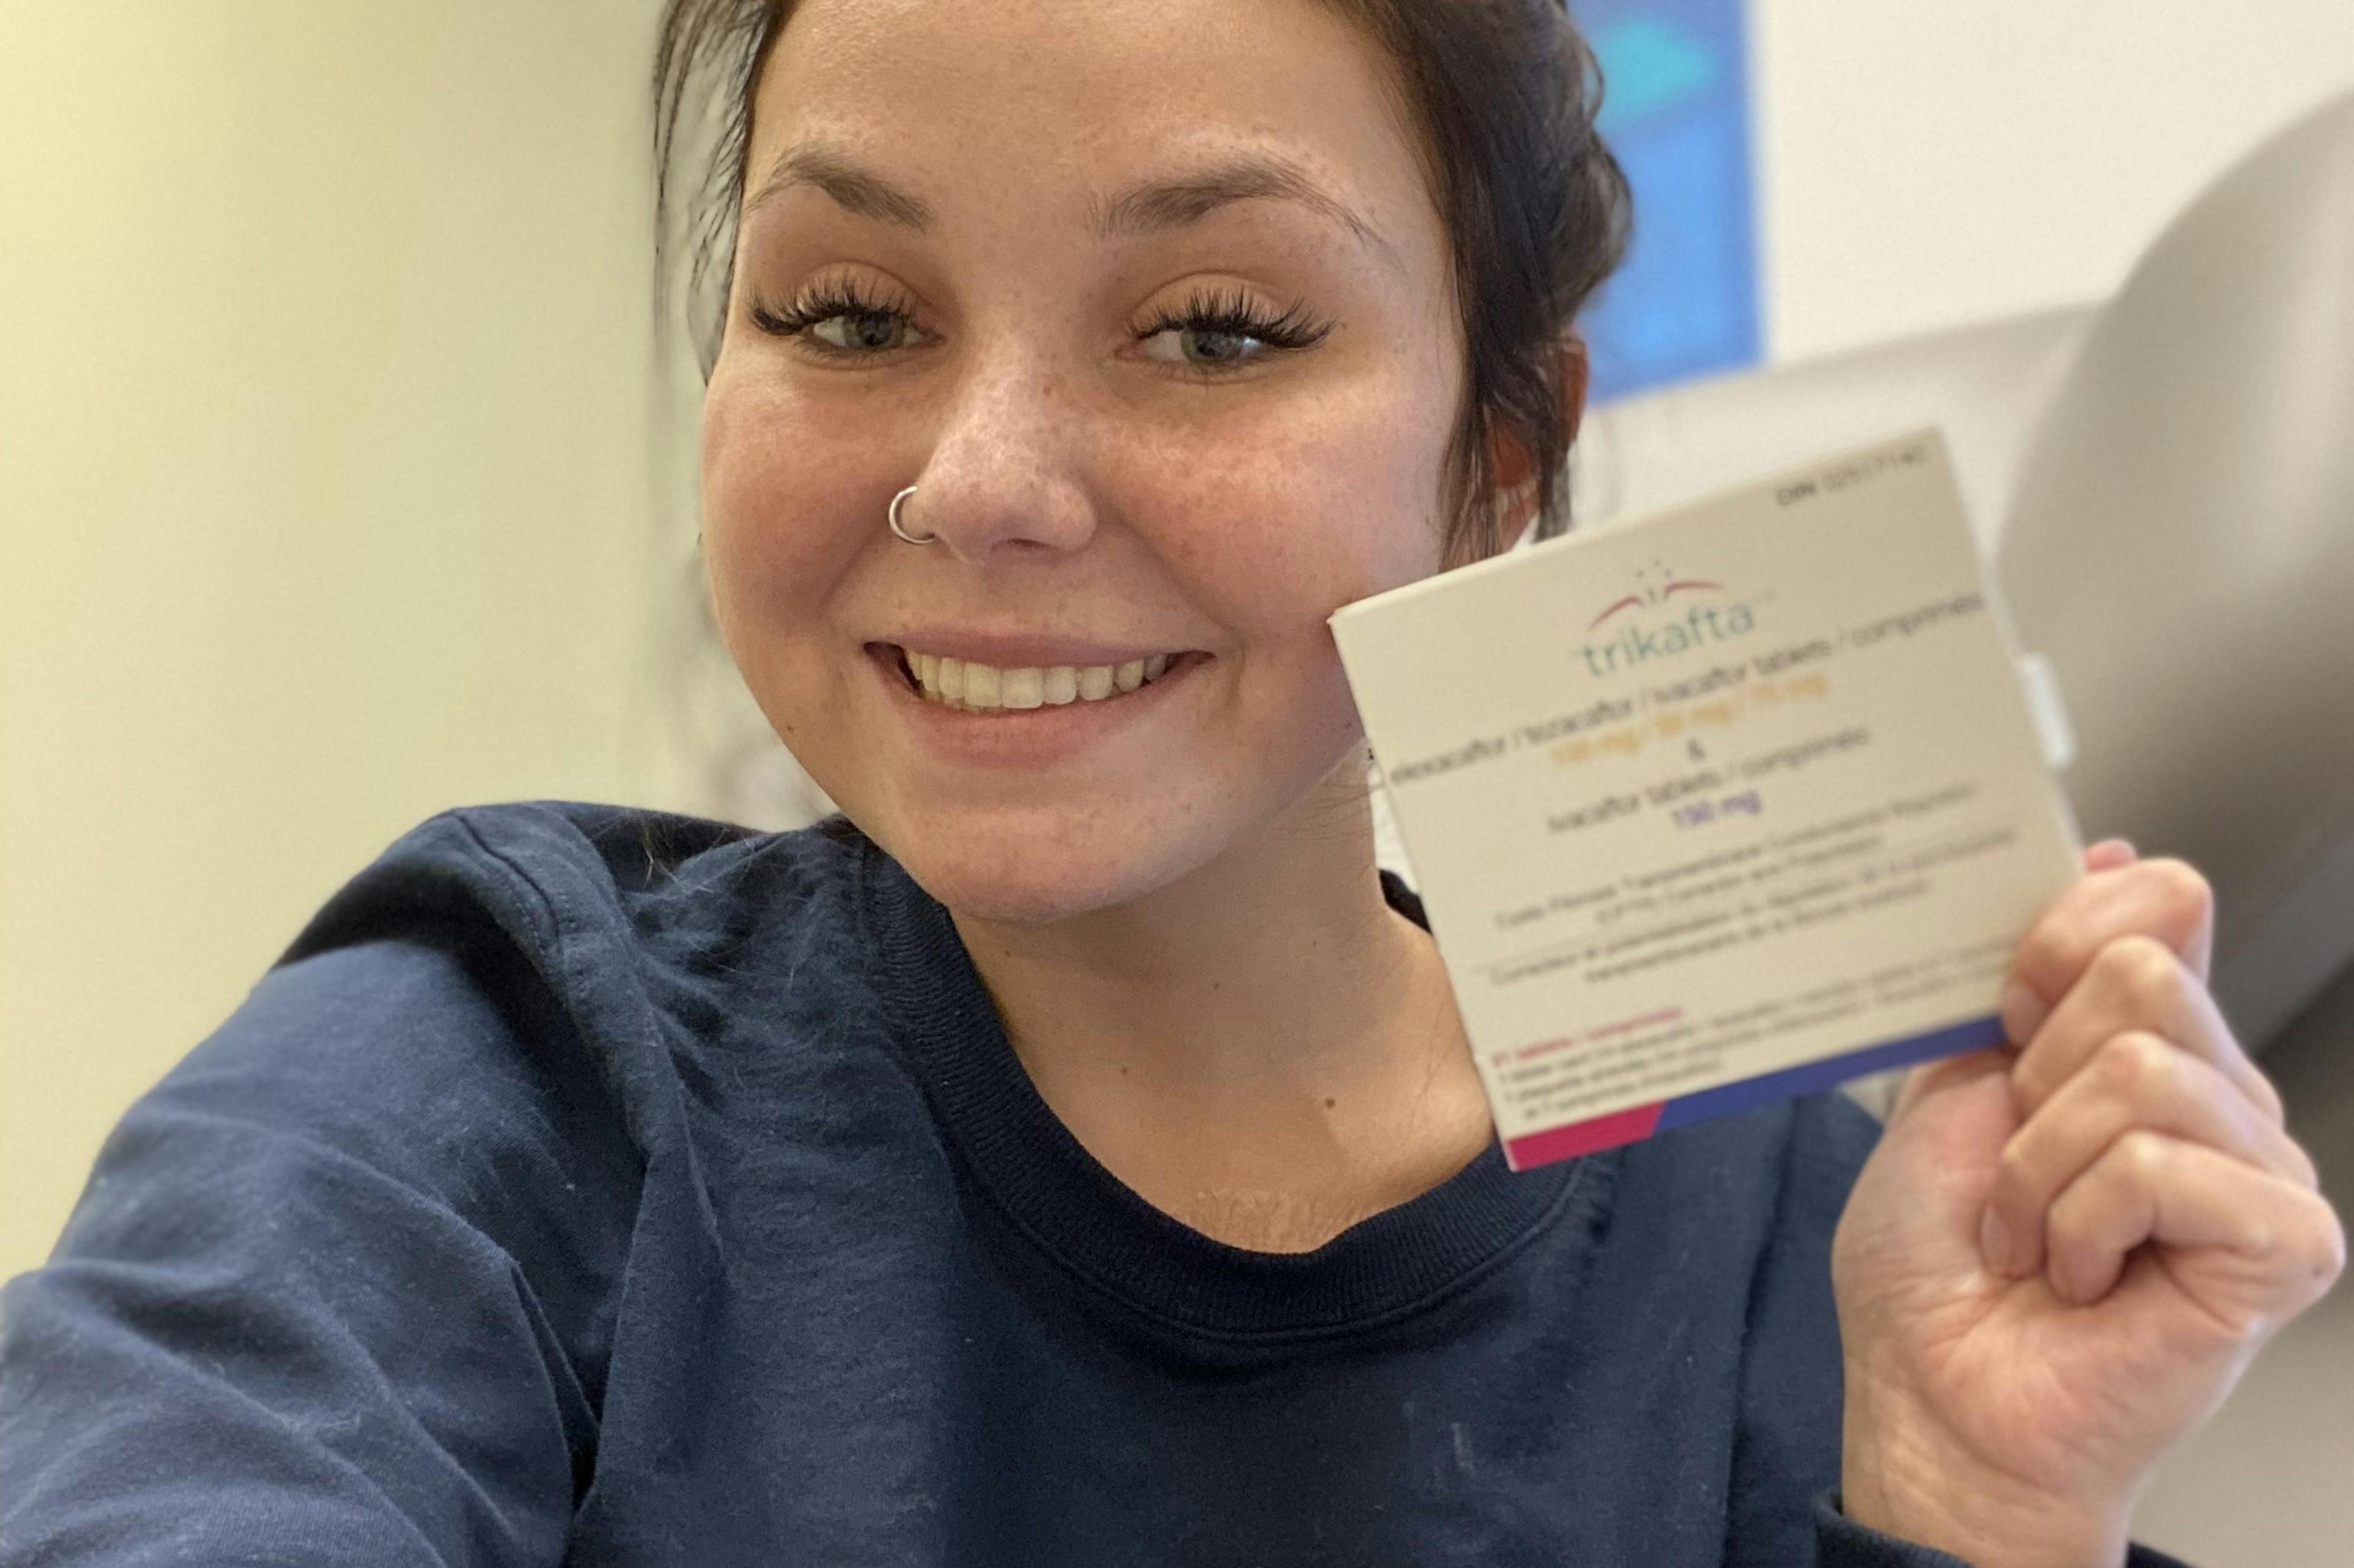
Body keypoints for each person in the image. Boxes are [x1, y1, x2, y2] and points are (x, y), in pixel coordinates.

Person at [0, 1, 2341, 1563]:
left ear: (1498, 460)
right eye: (849, 314)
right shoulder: (495, 1070)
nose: (982, 485)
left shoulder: (1804, 1270)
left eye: (1216, 329)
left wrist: (1971, 1511)